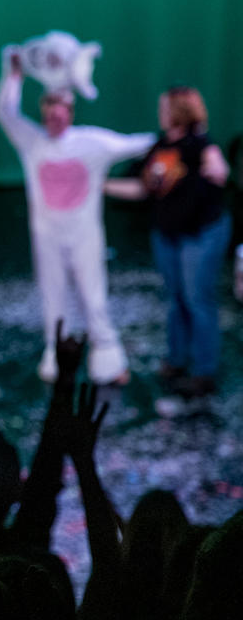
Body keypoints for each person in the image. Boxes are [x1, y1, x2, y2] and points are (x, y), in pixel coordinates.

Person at [0, 50, 155, 385]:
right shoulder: (32, 142)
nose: (54, 117)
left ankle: (108, 360)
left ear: (70, 112)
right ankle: (58, 355)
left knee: (93, 295)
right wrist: (13, 78)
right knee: (53, 296)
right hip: (48, 236)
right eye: (49, 111)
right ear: (43, 114)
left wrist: (178, 140)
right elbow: (5, 113)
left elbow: (136, 144)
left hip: (84, 236)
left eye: (61, 110)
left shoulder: (91, 142)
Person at [105, 87, 230, 398]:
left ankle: (204, 370)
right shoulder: (159, 145)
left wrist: (218, 169)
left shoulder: (199, 144)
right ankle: (177, 359)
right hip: (168, 233)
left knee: (197, 299)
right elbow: (142, 187)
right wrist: (98, 184)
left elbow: (218, 168)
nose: (161, 111)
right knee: (176, 299)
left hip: (200, 233)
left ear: (179, 110)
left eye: (166, 106)